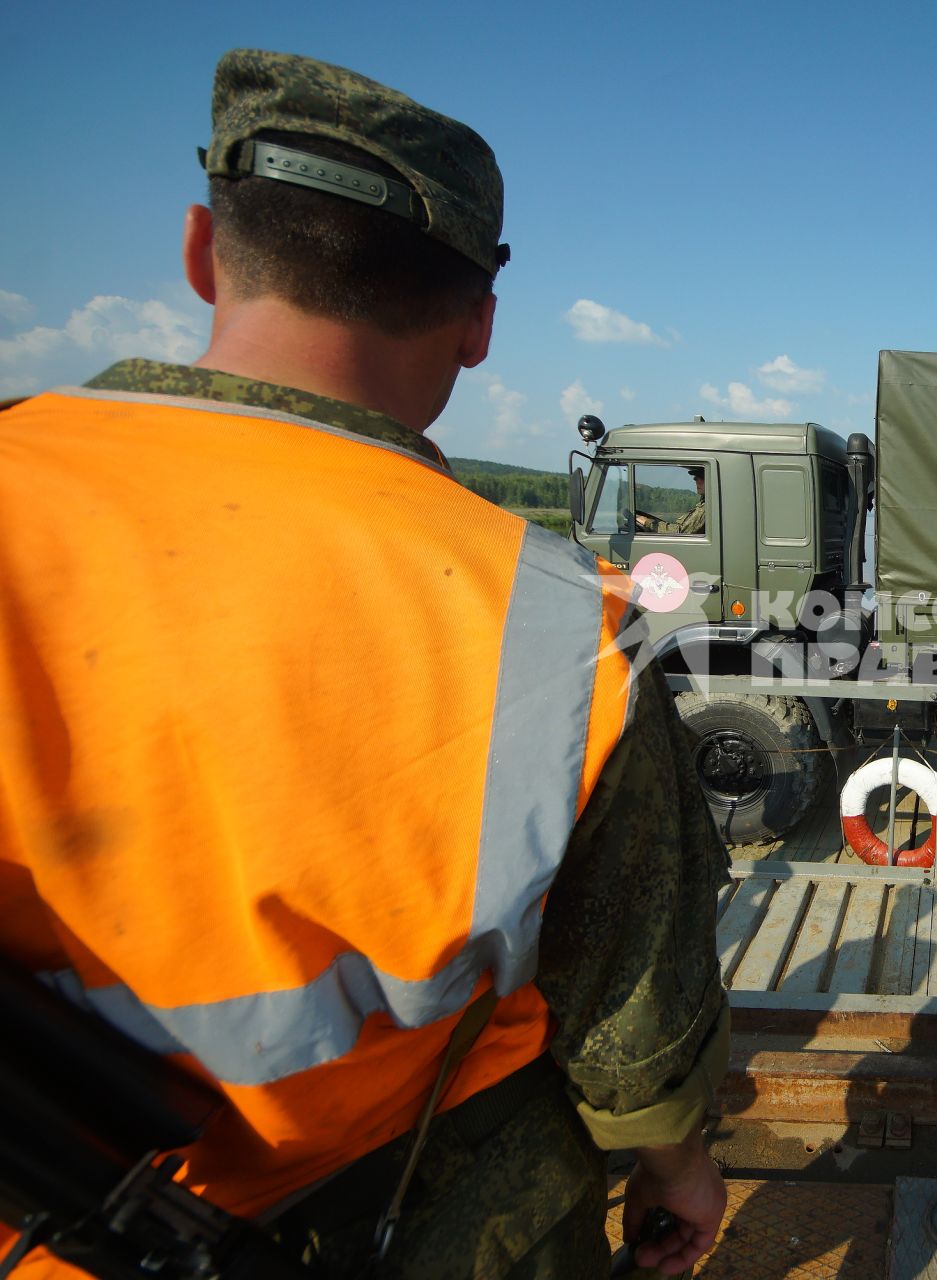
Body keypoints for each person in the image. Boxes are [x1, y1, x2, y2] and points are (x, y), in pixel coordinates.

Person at [0, 50, 729, 1278]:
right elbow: (628, 1002)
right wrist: (675, 1162)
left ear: (198, 249)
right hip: (417, 1211)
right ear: (481, 325)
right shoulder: (554, 619)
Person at [637, 468, 706, 535]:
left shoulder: (706, 508)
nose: (695, 480)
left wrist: (647, 522)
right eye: (696, 477)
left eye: (701, 477)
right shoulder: (704, 504)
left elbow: (681, 533)